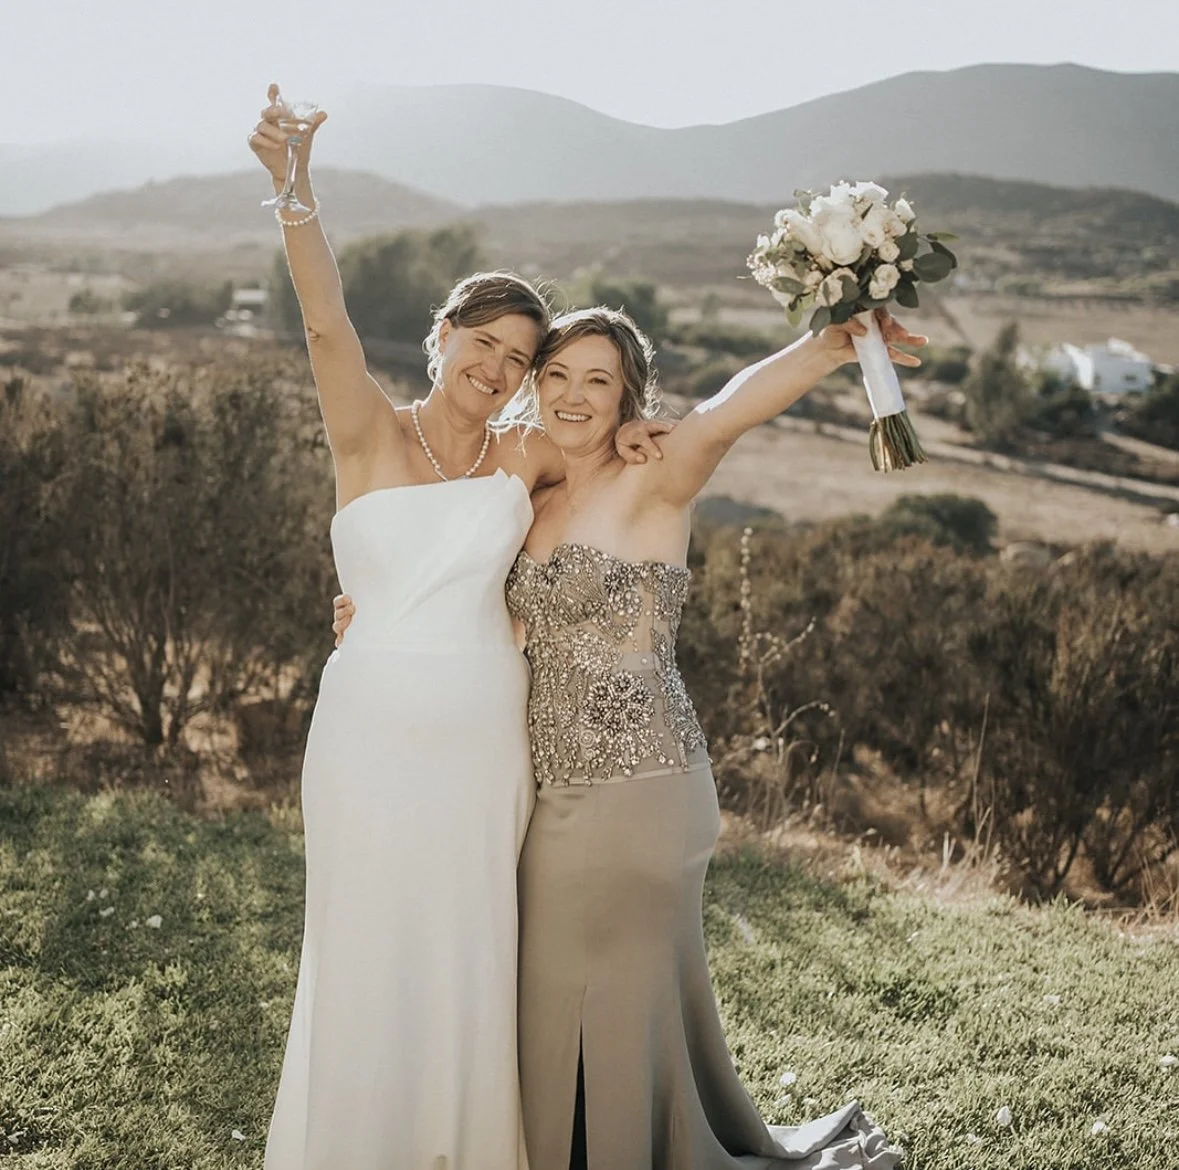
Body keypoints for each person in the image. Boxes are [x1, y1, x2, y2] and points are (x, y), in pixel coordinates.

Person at [337, 305, 922, 1167]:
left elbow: (729, 409)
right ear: (535, 387)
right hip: (551, 793)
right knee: (558, 999)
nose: (573, 397)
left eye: (598, 381)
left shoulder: (654, 478)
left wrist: (830, 342)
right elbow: (447, 585)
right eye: (558, 376)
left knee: (588, 997)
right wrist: (370, 608)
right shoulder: (521, 501)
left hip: (640, 787)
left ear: (627, 399)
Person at [247, 87, 667, 1170]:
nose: (497, 367)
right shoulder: (365, 433)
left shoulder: (525, 457)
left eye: (517, 359)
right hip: (369, 736)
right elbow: (325, 319)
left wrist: (631, 448)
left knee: (471, 946)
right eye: (481, 342)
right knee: (365, 944)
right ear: (441, 338)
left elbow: (603, 453)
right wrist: (295, 192)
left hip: (486, 743)